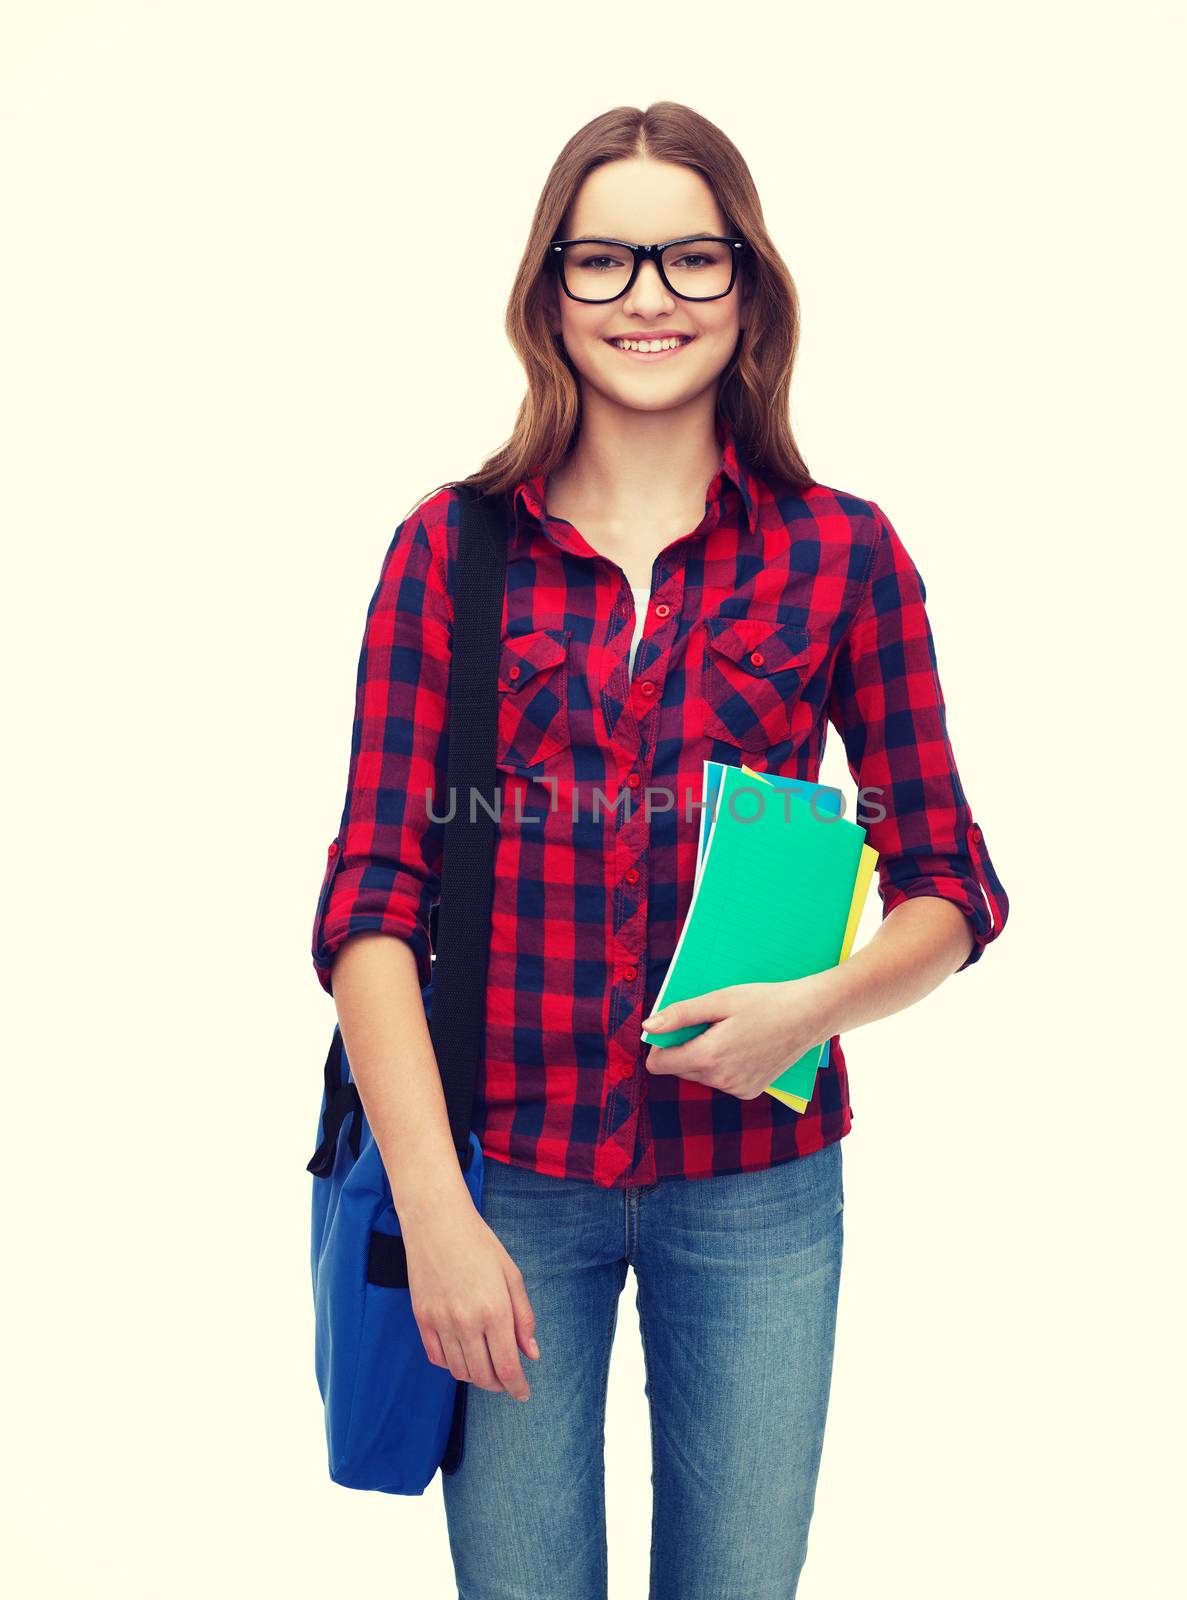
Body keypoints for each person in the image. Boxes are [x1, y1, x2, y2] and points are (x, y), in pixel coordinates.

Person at [310, 101, 1009, 1600]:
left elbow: (949, 876)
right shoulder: (450, 548)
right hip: (507, 1182)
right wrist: (434, 1211)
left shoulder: (844, 554)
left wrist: (807, 1010)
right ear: (547, 293)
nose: (649, 298)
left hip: (757, 1188)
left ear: (748, 291)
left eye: (692, 258)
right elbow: (370, 900)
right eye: (605, 260)